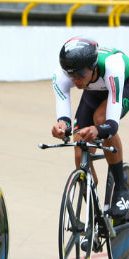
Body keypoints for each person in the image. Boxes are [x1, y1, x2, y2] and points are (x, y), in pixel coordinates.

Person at [51, 37, 129, 218]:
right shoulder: (63, 73)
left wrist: (98, 130)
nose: (76, 80)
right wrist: (62, 127)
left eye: (80, 75)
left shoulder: (113, 65)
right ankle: (94, 217)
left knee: (100, 119)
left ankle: (121, 187)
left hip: (123, 84)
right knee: (80, 152)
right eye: (72, 75)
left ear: (93, 67)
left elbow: (111, 124)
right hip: (93, 88)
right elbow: (64, 117)